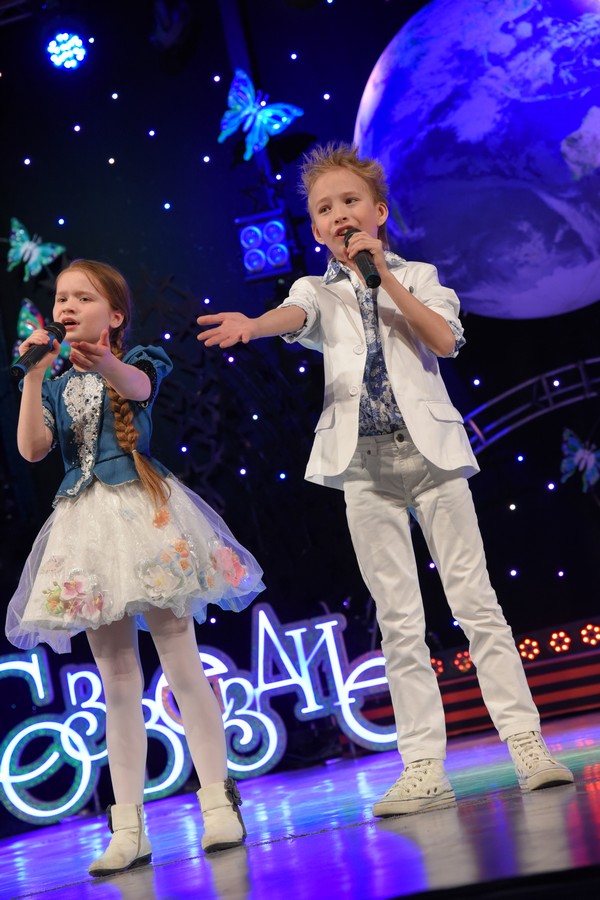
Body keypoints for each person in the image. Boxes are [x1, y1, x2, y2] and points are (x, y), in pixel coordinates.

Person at [196, 143, 574, 817]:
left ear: (378, 213)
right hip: (365, 469)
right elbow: (295, 316)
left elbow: (444, 340)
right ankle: (423, 765)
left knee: (477, 604)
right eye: (324, 208)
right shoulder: (315, 290)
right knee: (399, 620)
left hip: (432, 460)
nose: (338, 214)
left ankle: (526, 744)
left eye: (350, 202)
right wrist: (253, 325)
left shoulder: (420, 276)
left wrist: (384, 280)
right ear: (316, 228)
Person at [6, 259, 265, 875]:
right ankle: (128, 827)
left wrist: (103, 361)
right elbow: (33, 449)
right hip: (85, 529)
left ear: (114, 315)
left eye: (82, 298)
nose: (66, 307)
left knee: (181, 664)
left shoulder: (138, 360)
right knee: (117, 680)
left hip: (145, 517)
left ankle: (218, 804)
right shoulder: (57, 381)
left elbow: (139, 389)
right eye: (61, 299)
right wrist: (34, 377)